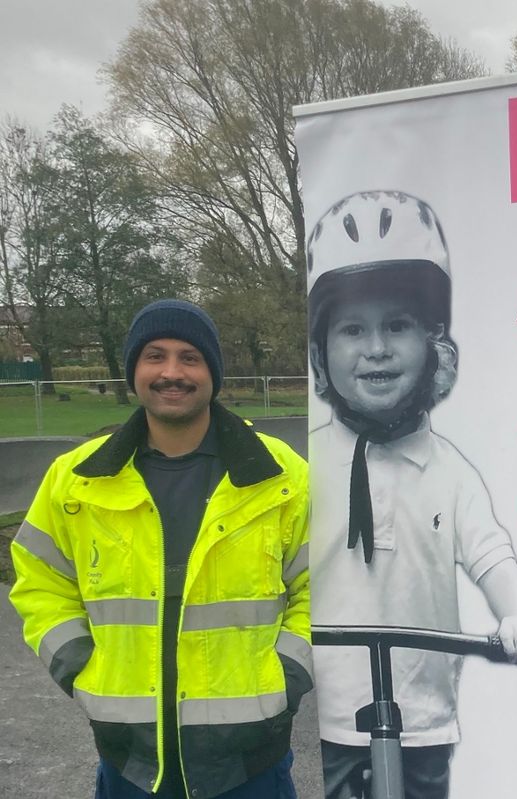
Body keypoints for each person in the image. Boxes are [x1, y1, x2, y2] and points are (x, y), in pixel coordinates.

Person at [9, 299, 311, 799]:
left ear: (212, 371)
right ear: (134, 370)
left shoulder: (281, 477)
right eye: (155, 355)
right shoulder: (76, 479)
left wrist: (288, 674)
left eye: (190, 357)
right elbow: (40, 581)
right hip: (128, 760)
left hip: (249, 761)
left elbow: (320, 586)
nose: (172, 372)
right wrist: (79, 664)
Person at [306, 190, 517, 799]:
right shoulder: (303, 466)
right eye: (353, 328)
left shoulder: (449, 470)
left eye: (398, 326)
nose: (376, 347)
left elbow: (492, 554)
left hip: (425, 709)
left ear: (434, 344)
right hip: (333, 708)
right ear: (320, 353)